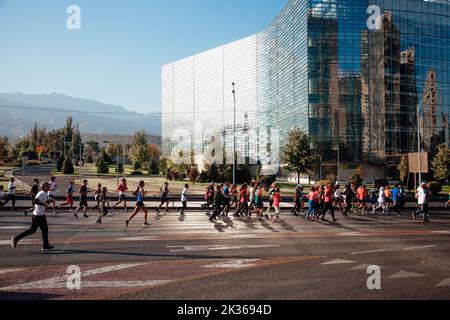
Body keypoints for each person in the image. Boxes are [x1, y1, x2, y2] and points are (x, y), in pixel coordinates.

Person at [11, 182, 54, 251]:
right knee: (44, 230)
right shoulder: (42, 193)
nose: (50, 187)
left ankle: (16, 238)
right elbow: (35, 201)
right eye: (48, 186)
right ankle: (45, 246)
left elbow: (41, 201)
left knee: (33, 230)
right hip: (39, 215)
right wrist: (44, 204)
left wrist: (49, 201)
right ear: (45, 187)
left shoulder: (43, 193)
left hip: (36, 214)